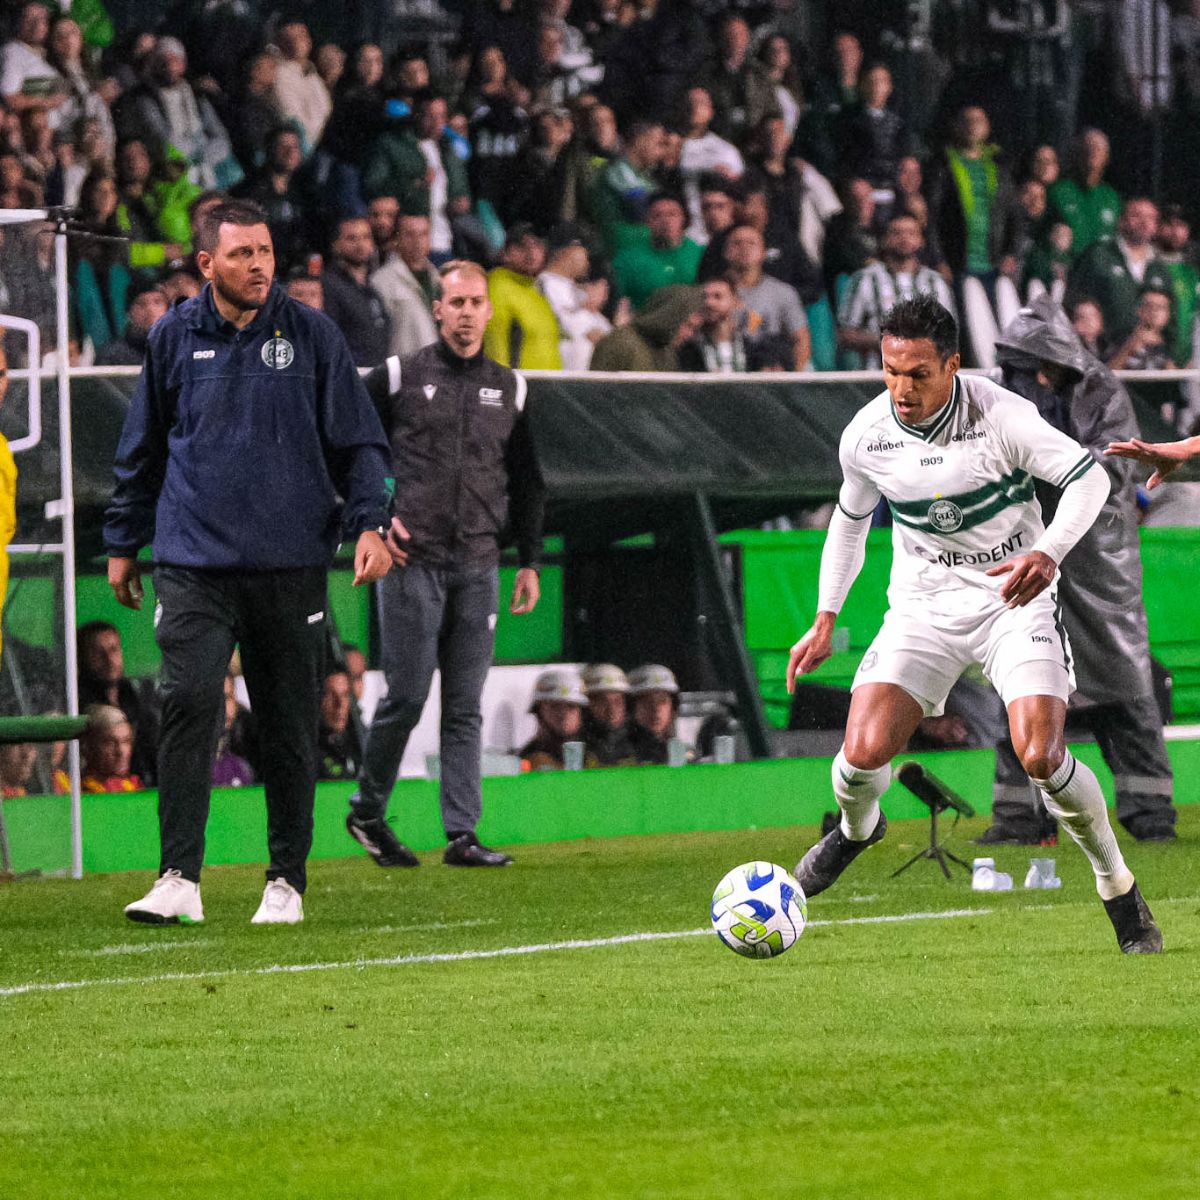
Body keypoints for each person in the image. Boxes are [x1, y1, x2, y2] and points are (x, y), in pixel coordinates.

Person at [786, 294, 1161, 954]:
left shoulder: (1002, 417)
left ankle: (1118, 888)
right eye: (891, 370)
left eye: (918, 373)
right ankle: (854, 831)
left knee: (1041, 755)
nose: (902, 388)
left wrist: (1048, 552)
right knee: (860, 757)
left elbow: (1090, 482)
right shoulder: (866, 436)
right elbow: (848, 524)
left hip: (1010, 606)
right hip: (922, 610)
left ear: (953, 366)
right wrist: (825, 617)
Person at [106, 198, 393, 927]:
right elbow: (142, 450)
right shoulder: (171, 338)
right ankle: (178, 878)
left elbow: (361, 444)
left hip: (290, 565)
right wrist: (121, 543)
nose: (259, 265)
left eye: (265, 251)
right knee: (189, 703)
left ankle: (285, 882)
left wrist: (369, 524)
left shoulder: (313, 336)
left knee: (289, 723)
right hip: (193, 563)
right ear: (207, 264)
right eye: (242, 254)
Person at [346, 260, 544, 870]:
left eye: (475, 302)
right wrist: (376, 520)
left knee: (465, 705)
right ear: (437, 310)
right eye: (454, 302)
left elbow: (530, 482)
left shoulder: (511, 387)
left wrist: (528, 562)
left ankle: (461, 834)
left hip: (479, 563)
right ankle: (368, 812)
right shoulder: (398, 376)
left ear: (488, 310)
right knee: (405, 696)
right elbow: (351, 447)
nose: (465, 313)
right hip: (413, 561)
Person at [981, 295, 1176, 843]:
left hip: (1099, 555)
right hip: (1026, 548)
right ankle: (1018, 817)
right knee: (1021, 678)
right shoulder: (1005, 392)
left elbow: (1114, 461)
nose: (1024, 375)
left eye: (1030, 363)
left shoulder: (1100, 389)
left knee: (1125, 682)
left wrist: (1044, 464)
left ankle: (1151, 812)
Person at [837, 213, 956, 369]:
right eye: (897, 233)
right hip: (875, 377)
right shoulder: (865, 279)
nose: (904, 238)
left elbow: (949, 333)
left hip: (924, 377)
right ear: (884, 239)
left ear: (921, 240)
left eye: (911, 233)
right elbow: (845, 334)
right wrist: (888, 342)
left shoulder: (937, 282)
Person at [1066, 198, 1171, 347]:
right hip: (1101, 352)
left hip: (1147, 356)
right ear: (1121, 221)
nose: (1144, 222)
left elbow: (1171, 319)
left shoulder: (1160, 267)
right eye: (1136, 216)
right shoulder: (1098, 255)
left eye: (1150, 217)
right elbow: (1074, 298)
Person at [76, 619, 157, 785]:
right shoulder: (77, 706)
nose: (109, 659)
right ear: (82, 658)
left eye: (114, 649)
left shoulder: (137, 700)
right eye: (98, 652)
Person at [724, 224, 810, 370]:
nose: (744, 248)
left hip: (771, 369)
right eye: (737, 243)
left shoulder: (783, 292)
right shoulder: (714, 293)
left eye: (751, 243)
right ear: (726, 252)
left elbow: (801, 340)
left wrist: (793, 379)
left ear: (763, 252)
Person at [483, 224, 563, 369]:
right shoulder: (498, 287)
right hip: (519, 386)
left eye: (537, 245)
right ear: (505, 253)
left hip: (548, 386)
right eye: (521, 246)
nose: (531, 253)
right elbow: (495, 345)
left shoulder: (537, 291)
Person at [321, 215, 392, 366]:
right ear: (336, 245)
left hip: (376, 375)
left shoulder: (372, 288)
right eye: (352, 238)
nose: (360, 245)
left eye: (366, 237)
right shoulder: (329, 286)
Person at [612, 192, 702, 310]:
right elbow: (618, 300)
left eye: (672, 214)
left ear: (684, 218)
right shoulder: (628, 259)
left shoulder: (700, 254)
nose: (665, 221)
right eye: (657, 215)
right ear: (648, 221)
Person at [370, 212, 440, 358]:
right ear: (397, 239)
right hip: (403, 369)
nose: (417, 241)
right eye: (410, 234)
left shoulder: (438, 278)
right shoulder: (382, 281)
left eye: (423, 234)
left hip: (438, 368)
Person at [589, 283, 702, 372]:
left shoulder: (667, 352)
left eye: (694, 329)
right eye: (688, 325)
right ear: (668, 316)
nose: (689, 334)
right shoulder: (620, 343)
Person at [519, 668, 588, 770]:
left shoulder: (593, 756)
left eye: (571, 706)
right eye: (555, 706)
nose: (563, 714)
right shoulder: (528, 761)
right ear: (538, 712)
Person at [94, 280, 168, 366]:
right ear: (129, 312)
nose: (150, 310)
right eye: (141, 304)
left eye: (157, 302)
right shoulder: (112, 355)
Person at [1105, 287, 1176, 371]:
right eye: (1149, 306)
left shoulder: (1171, 341)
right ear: (1139, 310)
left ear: (1168, 314)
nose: (1154, 311)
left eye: (1160, 307)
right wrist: (1129, 348)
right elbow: (1106, 373)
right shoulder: (1120, 337)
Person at [581, 662, 636, 766]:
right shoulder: (576, 745)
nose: (611, 709)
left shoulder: (641, 743)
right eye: (602, 701)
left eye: (617, 701)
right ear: (588, 704)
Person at [80, 704, 143, 793]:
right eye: (110, 743)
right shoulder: (74, 790)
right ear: (88, 746)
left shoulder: (134, 786)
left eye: (126, 741)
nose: (120, 752)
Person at [628, 663, 682, 766]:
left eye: (662, 701)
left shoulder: (685, 753)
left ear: (673, 707)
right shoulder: (618, 755)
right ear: (631, 707)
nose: (655, 709)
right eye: (646, 702)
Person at [317, 668, 359, 782]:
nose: (339, 704)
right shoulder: (308, 754)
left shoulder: (361, 743)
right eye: (331, 695)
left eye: (345, 695)